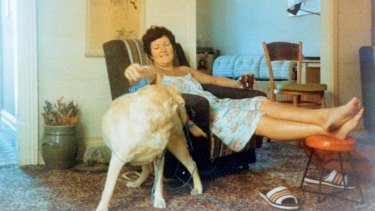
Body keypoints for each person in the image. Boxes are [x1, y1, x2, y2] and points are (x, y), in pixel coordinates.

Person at [124, 26, 363, 152]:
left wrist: (237, 83)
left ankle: (324, 117)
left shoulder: (185, 69)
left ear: (173, 47)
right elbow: (140, 74)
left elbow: (215, 81)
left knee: (261, 102)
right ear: (150, 54)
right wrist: (134, 70)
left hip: (218, 104)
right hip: (202, 114)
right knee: (254, 118)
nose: (164, 50)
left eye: (167, 44)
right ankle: (328, 129)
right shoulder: (154, 72)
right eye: (157, 47)